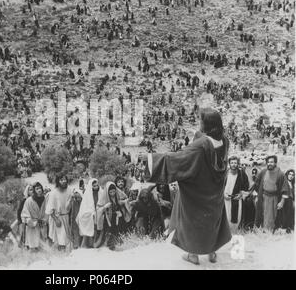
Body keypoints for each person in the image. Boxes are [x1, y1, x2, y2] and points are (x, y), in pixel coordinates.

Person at [146, 108, 231, 265]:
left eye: (201, 122)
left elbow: (179, 159)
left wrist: (151, 161)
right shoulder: (224, 140)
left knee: (194, 220)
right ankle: (212, 253)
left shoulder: (200, 146)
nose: (199, 124)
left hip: (198, 193)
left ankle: (193, 255)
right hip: (214, 190)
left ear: (207, 125)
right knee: (212, 220)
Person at [253, 156, 289, 231]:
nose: (270, 164)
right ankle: (261, 230)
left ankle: (269, 232)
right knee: (262, 214)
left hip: (274, 198)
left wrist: (282, 202)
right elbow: (256, 184)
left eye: (272, 162)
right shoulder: (263, 172)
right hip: (263, 197)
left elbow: (285, 189)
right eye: (268, 162)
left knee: (272, 216)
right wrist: (257, 195)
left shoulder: (280, 174)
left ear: (275, 163)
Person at [96, 181, 131, 250]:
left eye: (114, 192)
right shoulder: (104, 198)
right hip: (109, 219)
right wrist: (105, 207)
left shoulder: (118, 195)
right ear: (107, 192)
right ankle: (111, 244)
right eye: (110, 192)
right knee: (110, 232)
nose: (112, 194)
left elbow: (124, 201)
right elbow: (98, 209)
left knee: (120, 229)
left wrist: (122, 204)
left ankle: (120, 242)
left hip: (118, 217)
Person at [45, 175, 73, 250]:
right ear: (58, 181)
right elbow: (49, 209)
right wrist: (56, 220)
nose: (64, 181)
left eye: (65, 179)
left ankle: (64, 255)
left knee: (66, 238)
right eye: (61, 180)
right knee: (61, 239)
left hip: (66, 216)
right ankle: (60, 256)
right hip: (58, 217)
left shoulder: (69, 190)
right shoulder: (53, 193)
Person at [224, 156, 251, 231]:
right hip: (226, 199)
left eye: (235, 163)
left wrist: (241, 194)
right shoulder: (225, 173)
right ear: (229, 164)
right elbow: (220, 186)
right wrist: (223, 194)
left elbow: (246, 187)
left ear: (238, 164)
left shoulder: (242, 174)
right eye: (232, 163)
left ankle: (234, 232)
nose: (233, 165)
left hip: (237, 199)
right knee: (226, 216)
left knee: (237, 217)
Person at [21, 182, 48, 251]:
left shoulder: (44, 199)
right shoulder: (29, 201)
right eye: (37, 189)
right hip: (32, 227)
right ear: (34, 191)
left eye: (40, 188)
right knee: (33, 246)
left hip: (42, 225)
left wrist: (44, 220)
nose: (39, 190)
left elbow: (47, 211)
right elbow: (25, 214)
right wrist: (33, 222)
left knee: (42, 246)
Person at [76, 178, 102, 248]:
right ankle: (85, 244)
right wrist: (92, 213)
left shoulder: (101, 192)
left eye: (97, 185)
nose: (96, 187)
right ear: (91, 186)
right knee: (89, 223)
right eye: (94, 186)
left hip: (99, 213)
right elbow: (84, 207)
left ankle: (95, 243)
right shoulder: (88, 194)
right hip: (89, 214)